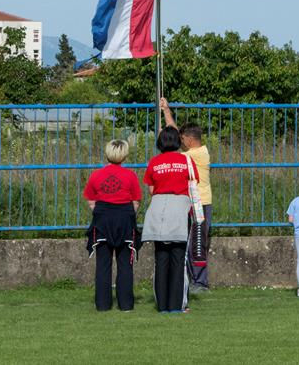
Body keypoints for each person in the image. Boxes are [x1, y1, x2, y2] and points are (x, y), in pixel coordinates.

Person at [142, 126, 200, 313]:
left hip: (158, 210)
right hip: (180, 211)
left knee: (161, 258)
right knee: (179, 259)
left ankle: (162, 305)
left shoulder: (154, 162)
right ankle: (176, 305)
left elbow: (151, 189)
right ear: (178, 141)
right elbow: (194, 184)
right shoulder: (187, 161)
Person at [160, 97, 213, 294]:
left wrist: (165, 138)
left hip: (200, 204)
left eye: (182, 139)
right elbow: (175, 134)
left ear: (189, 140)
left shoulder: (196, 154)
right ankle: (193, 280)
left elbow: (172, 143)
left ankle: (200, 283)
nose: (179, 142)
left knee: (197, 244)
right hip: (191, 203)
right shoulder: (195, 152)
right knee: (190, 242)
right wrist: (166, 111)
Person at [83, 139, 142, 311]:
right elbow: (136, 202)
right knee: (125, 264)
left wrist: (102, 213)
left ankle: (102, 305)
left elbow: (91, 201)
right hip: (124, 219)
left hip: (102, 220)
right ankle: (126, 304)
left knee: (103, 264)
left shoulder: (96, 175)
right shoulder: (130, 175)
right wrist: (126, 215)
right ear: (124, 155)